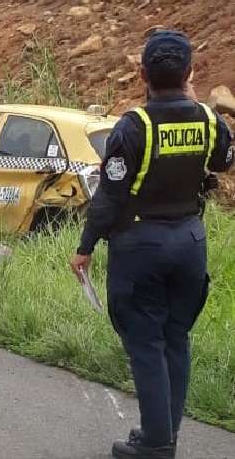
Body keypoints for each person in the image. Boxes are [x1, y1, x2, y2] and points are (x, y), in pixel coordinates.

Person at [70, 30, 232, 459]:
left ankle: (157, 442)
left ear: (141, 73)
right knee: (176, 338)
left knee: (145, 341)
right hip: (189, 241)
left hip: (141, 245)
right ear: (189, 73)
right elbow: (224, 160)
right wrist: (201, 104)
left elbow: (110, 194)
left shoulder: (133, 126)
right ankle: (164, 434)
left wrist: (85, 245)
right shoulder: (207, 121)